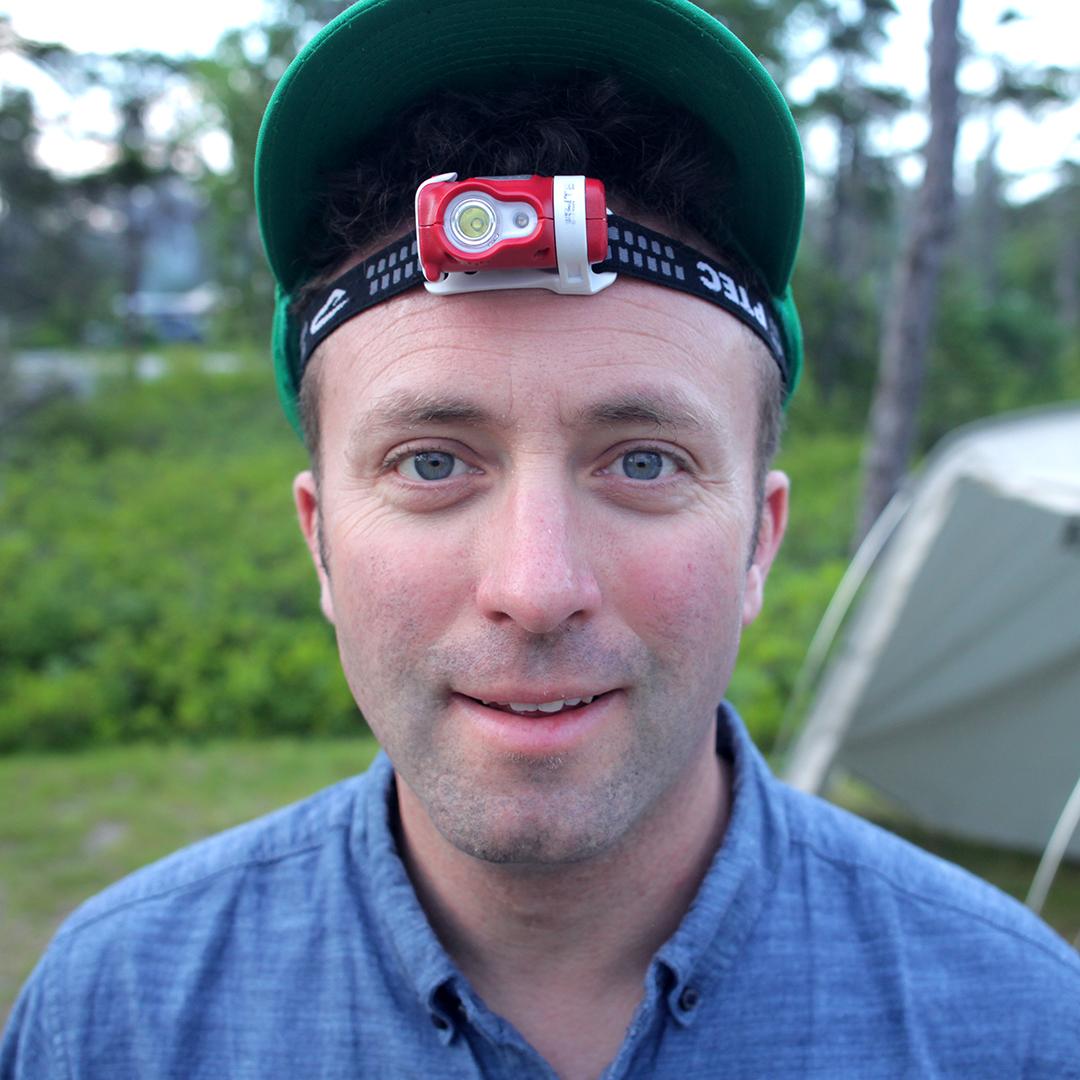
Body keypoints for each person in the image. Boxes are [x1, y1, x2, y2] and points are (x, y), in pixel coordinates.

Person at [3, 0, 1079, 1076]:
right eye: (432, 463)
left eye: (644, 462)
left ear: (760, 539)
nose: (536, 585)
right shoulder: (109, 1021)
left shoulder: (1022, 1029)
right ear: (320, 538)